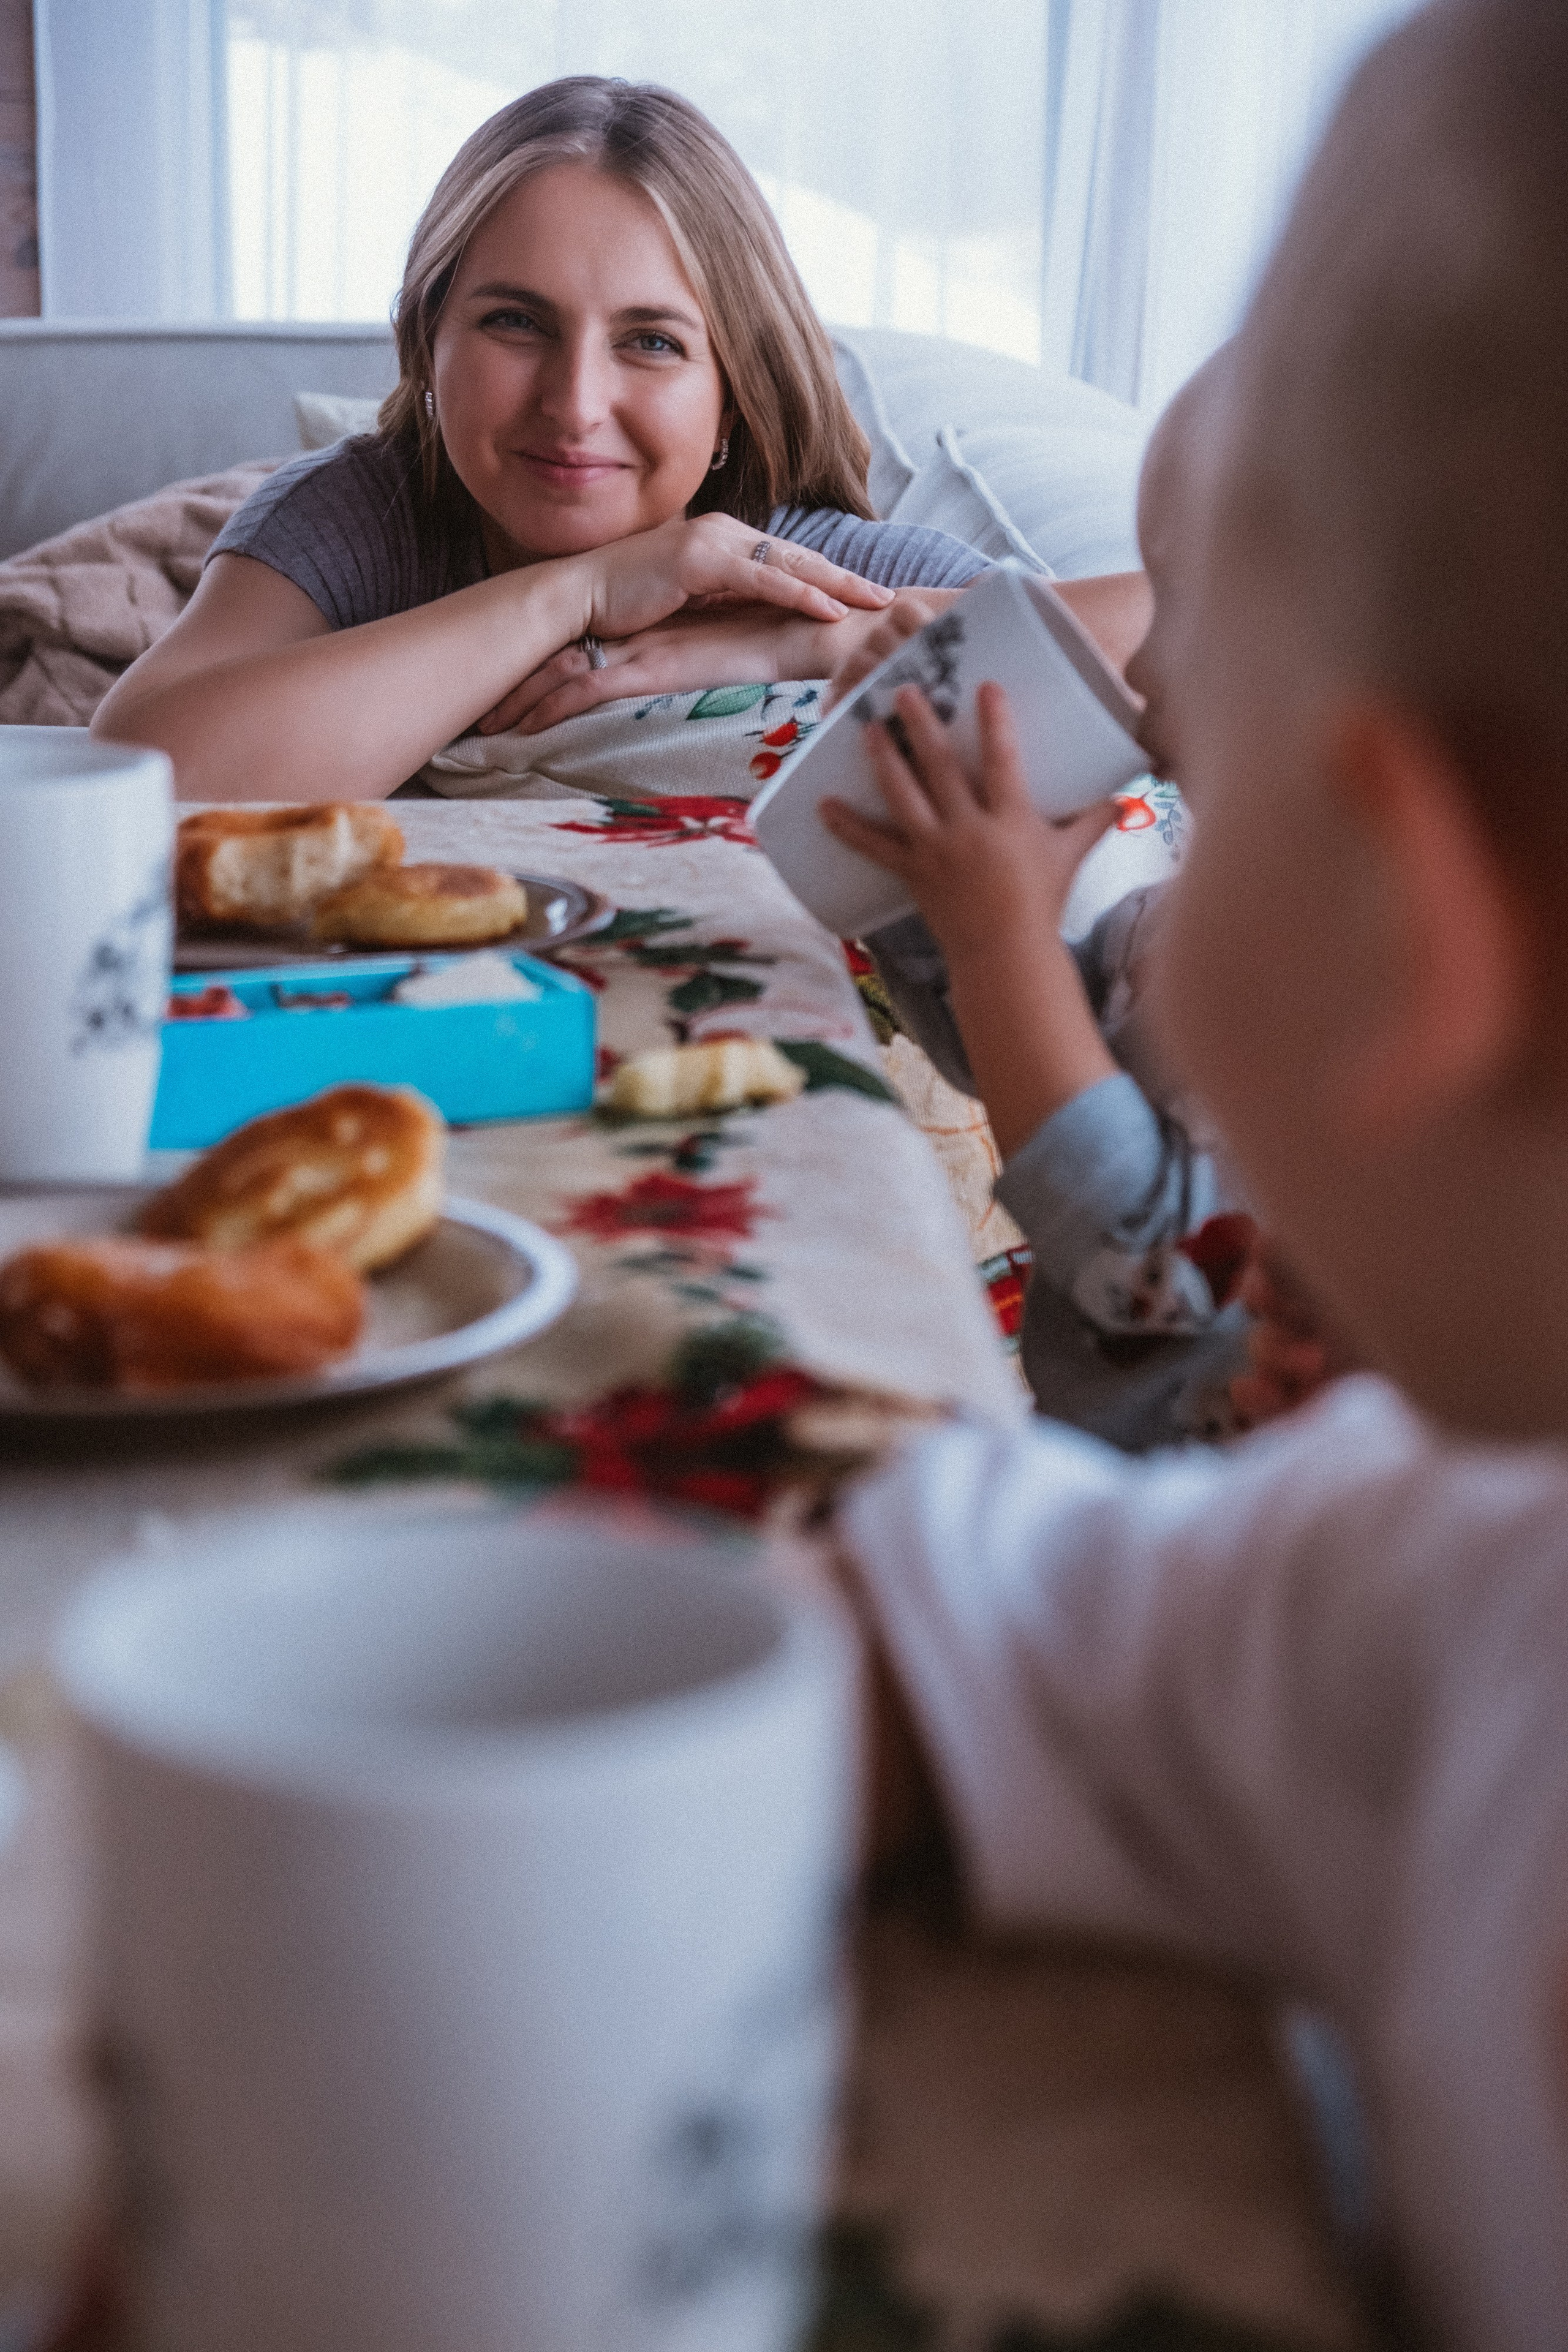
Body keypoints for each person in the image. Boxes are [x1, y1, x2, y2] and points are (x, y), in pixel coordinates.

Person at [831, 2, 1568, 2345]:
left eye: (1194, 753)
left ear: (1398, 913)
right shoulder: (1450, 1555)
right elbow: (1001, 1629)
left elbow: (1127, 1246)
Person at [91, 75, 1145, 804]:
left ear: (732, 392)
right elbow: (145, 771)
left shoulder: (802, 568)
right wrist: (580, 591)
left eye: (650, 341)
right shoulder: (364, 517)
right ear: (427, 338)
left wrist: (803, 642)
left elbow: (1188, 632)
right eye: (516, 322)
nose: (575, 403)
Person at [820, 359, 1254, 1448]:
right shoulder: (1223, 896)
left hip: (1201, 1545)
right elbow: (1012, 1045)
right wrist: (939, 862)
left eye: (1192, 611)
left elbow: (1148, 1269)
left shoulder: (1376, 985)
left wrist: (999, 932)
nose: (1142, 664)